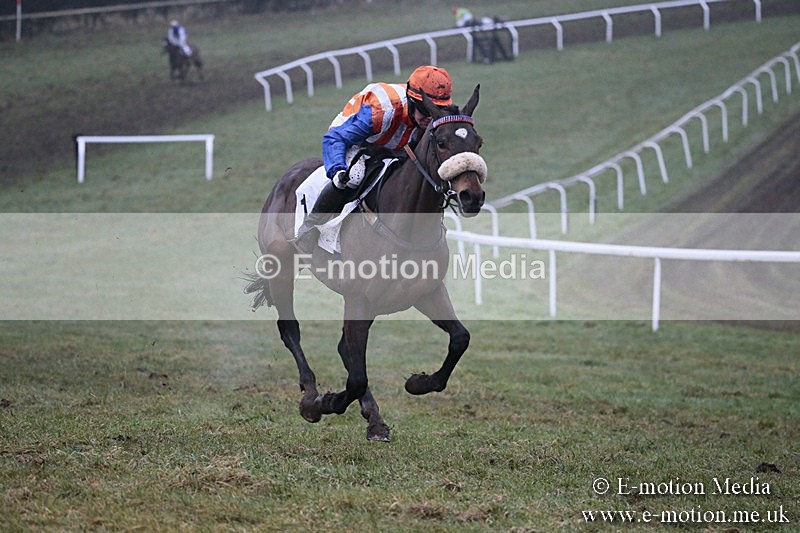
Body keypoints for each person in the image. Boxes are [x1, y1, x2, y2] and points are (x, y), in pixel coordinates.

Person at [292, 65, 454, 253]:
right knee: (354, 176)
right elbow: (335, 138)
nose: (431, 117)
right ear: (412, 101)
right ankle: (310, 228)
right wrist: (337, 168)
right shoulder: (381, 110)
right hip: (357, 140)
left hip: (395, 143)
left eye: (437, 110)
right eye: (426, 111)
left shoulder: (434, 108)